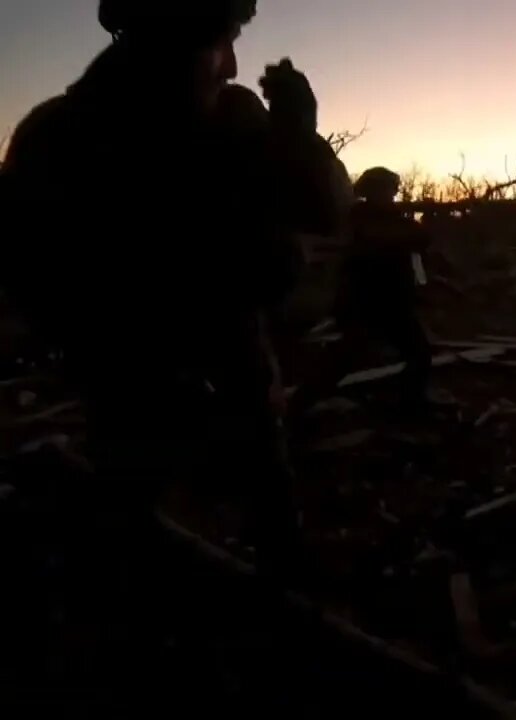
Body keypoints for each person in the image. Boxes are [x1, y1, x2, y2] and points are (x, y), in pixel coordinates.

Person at [0, 0, 348, 577]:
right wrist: (122, 340)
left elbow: (323, 212)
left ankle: (281, 577)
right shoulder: (61, 138)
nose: (233, 66)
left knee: (265, 487)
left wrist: (299, 138)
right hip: (132, 375)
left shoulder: (232, 121)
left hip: (230, 359)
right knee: (131, 506)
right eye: (221, 43)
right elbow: (28, 267)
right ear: (163, 44)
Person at [286, 166, 434, 421]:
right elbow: (398, 238)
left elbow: (420, 239)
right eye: (385, 189)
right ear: (372, 191)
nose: (391, 194)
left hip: (393, 303)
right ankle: (294, 408)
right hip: (367, 304)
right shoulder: (361, 219)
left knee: (419, 355)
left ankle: (411, 409)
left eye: (391, 189)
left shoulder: (389, 218)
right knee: (340, 363)